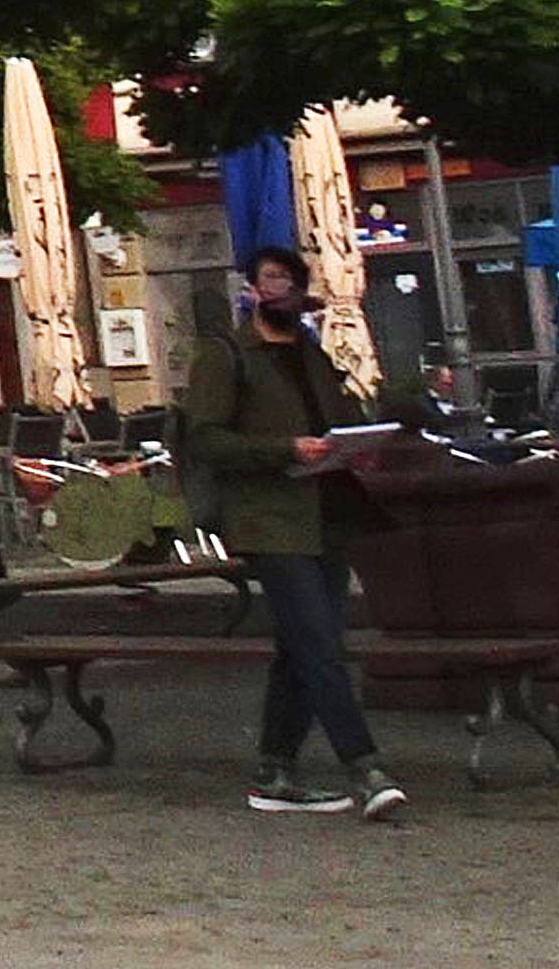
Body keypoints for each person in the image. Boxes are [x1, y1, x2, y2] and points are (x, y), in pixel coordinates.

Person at [178, 248, 404, 819]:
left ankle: (274, 768)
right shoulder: (226, 354)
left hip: (324, 509)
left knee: (303, 644)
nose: (283, 290)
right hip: (268, 516)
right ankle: (365, 768)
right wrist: (283, 449)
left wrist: (357, 449)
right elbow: (205, 439)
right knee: (319, 643)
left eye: (293, 282)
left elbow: (332, 423)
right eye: (272, 279)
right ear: (251, 288)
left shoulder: (310, 351)